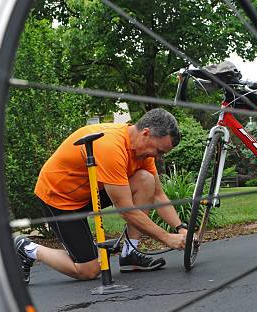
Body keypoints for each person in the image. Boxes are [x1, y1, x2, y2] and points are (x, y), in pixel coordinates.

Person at [14, 108, 188, 284]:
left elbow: (158, 194)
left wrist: (181, 228)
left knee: (146, 180)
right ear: (145, 133)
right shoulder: (111, 147)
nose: (158, 157)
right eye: (159, 151)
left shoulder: (144, 152)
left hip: (90, 190)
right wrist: (167, 238)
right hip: (60, 197)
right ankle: (27, 248)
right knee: (88, 270)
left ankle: (130, 253)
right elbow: (126, 210)